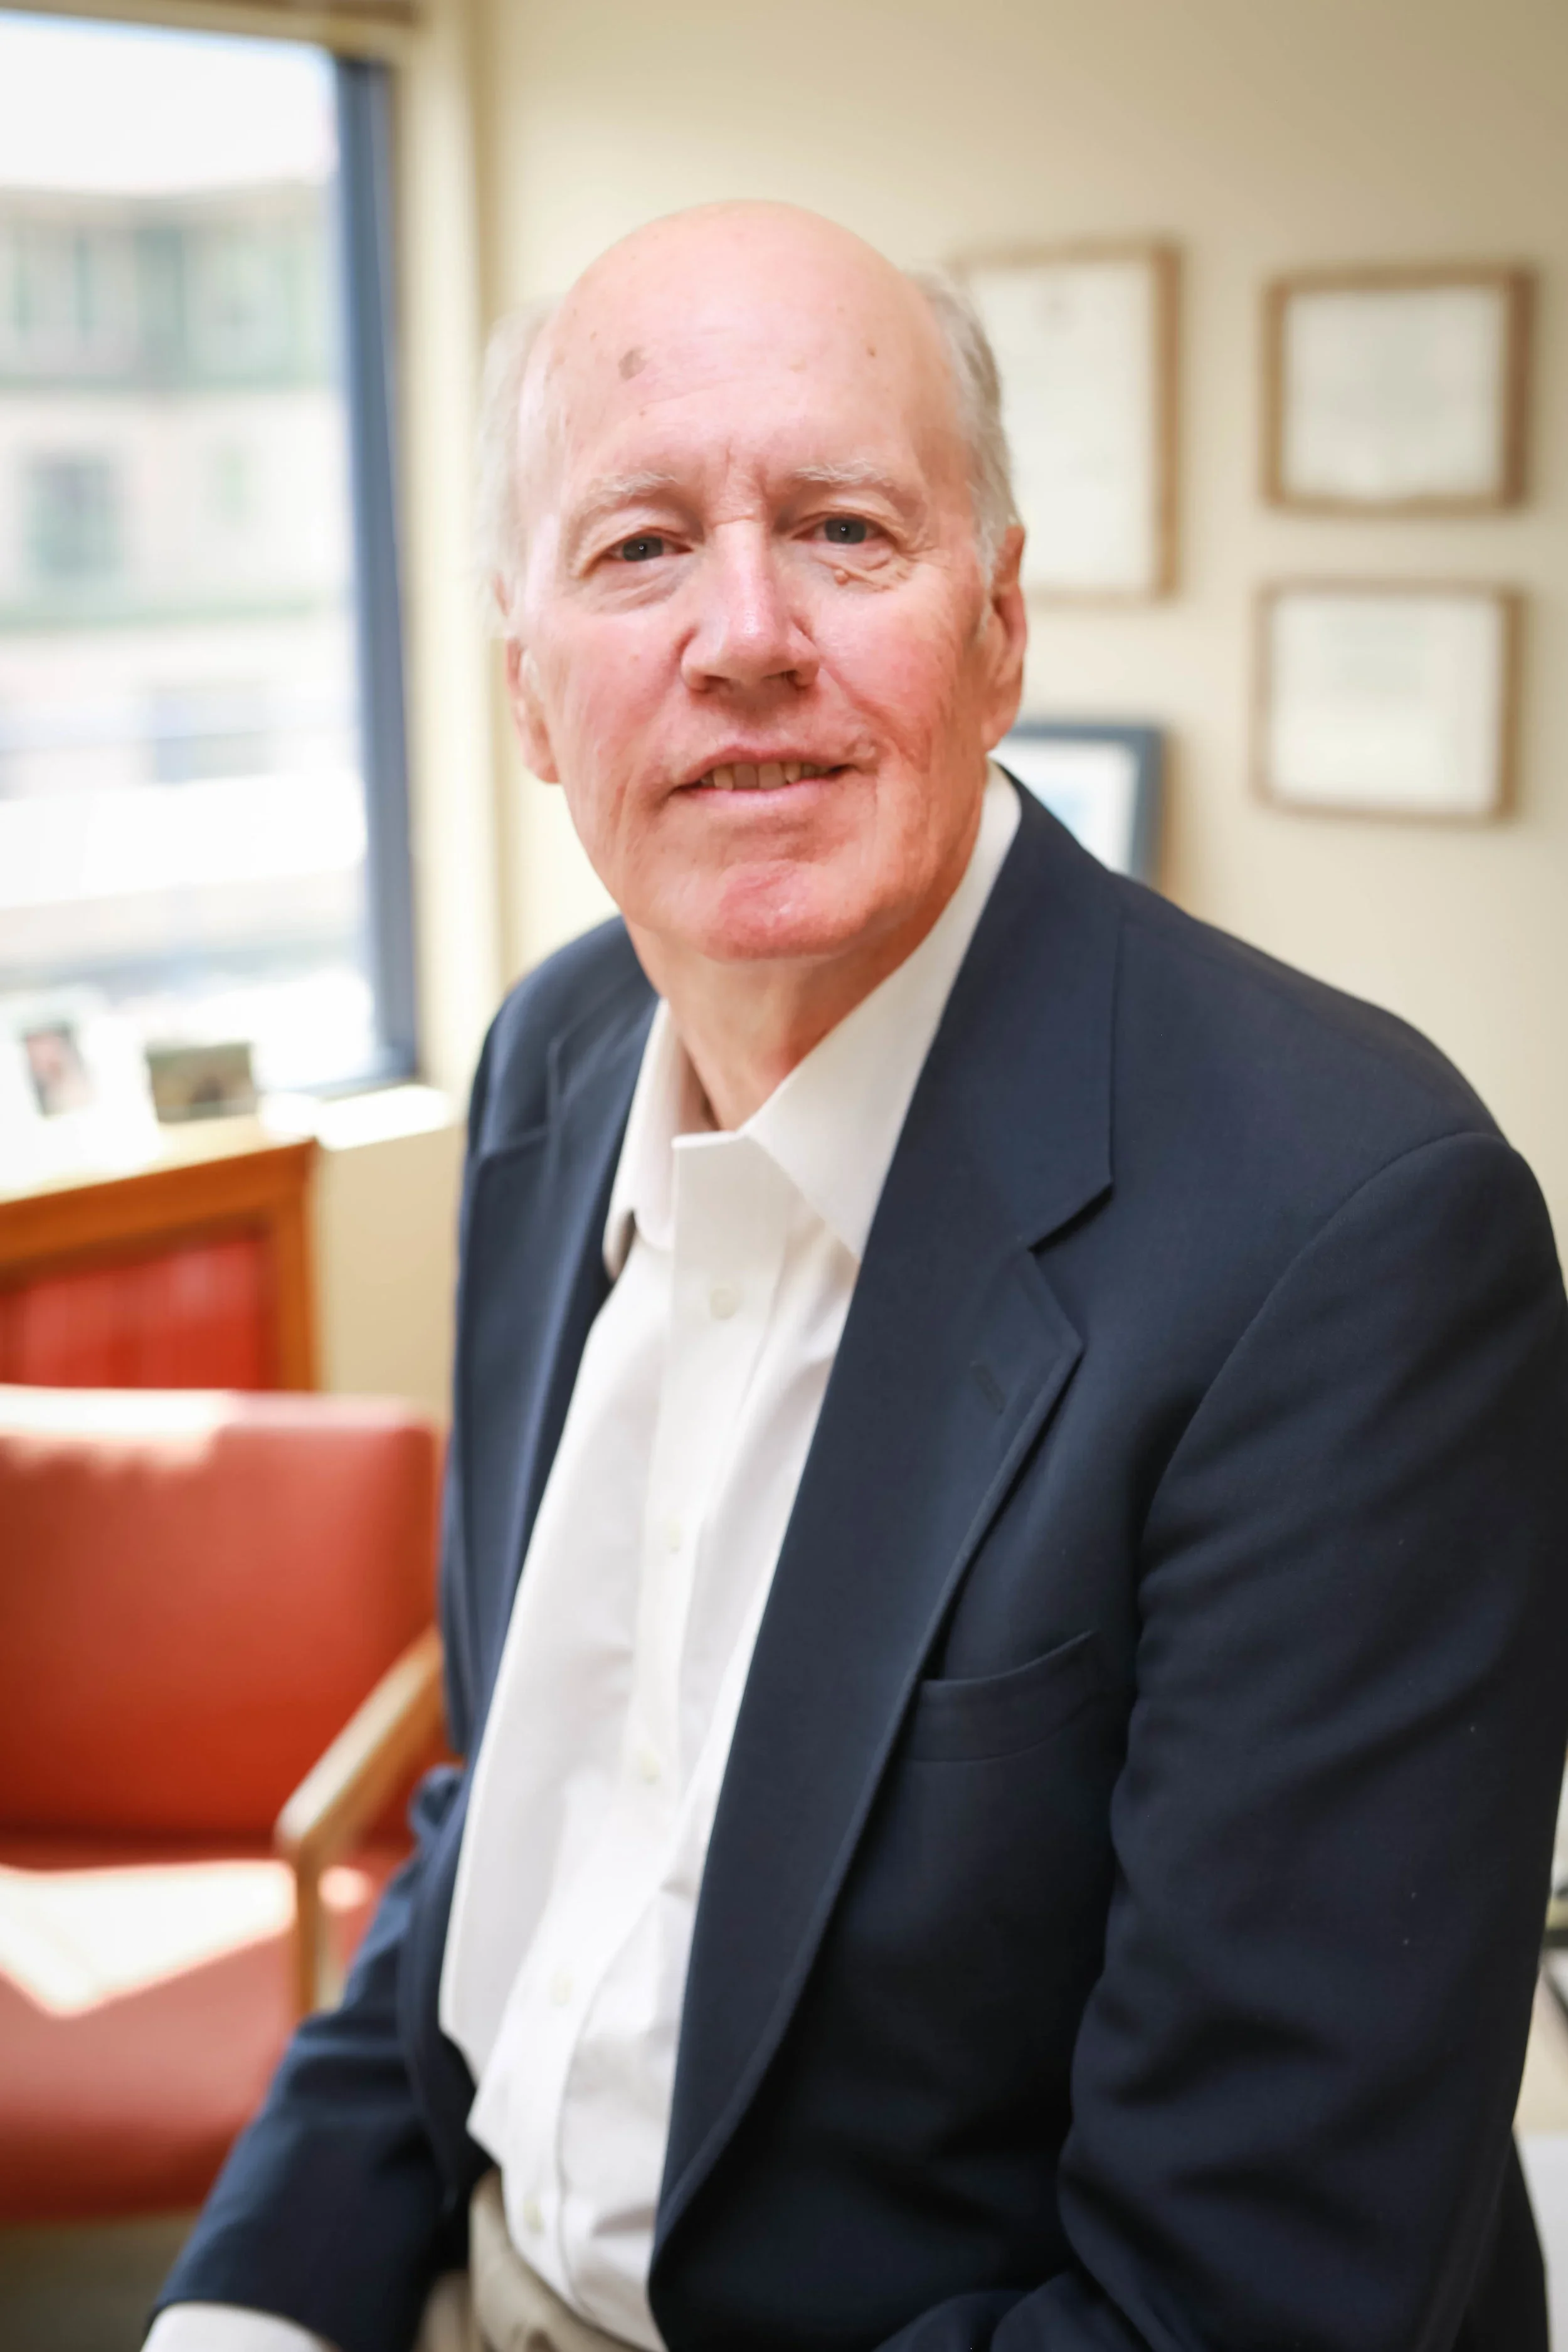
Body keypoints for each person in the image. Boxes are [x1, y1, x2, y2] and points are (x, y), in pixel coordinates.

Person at [149, 202, 1568, 2352]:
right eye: (636, 547)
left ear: (1000, 627)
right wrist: (247, 2308)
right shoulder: (553, 1065)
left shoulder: (1352, 1239)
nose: (742, 632)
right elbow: (521, 1812)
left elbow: (1241, 2308)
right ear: (528, 687)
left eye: (839, 529)